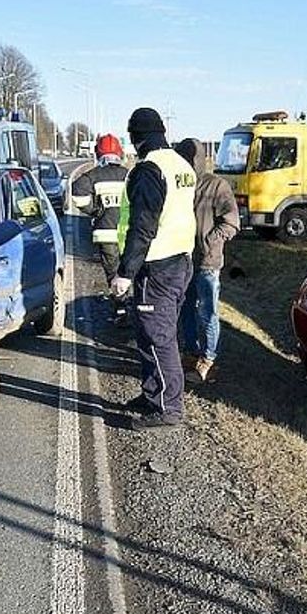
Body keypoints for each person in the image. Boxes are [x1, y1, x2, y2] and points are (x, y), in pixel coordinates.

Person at [110, 108, 197, 429]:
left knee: (158, 337)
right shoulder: (180, 164)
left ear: (137, 138)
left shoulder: (149, 169)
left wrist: (125, 273)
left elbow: (143, 226)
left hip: (156, 266)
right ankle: (153, 394)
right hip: (180, 260)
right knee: (152, 332)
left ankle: (168, 408)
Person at [173, 138, 239, 382]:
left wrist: (209, 242)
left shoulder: (217, 186)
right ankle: (190, 353)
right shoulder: (180, 186)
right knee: (186, 310)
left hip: (207, 263)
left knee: (208, 313)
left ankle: (208, 359)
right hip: (182, 261)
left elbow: (232, 222)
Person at [71, 134, 129, 318]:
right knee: (130, 271)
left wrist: (95, 211)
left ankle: (121, 309)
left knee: (113, 273)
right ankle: (134, 307)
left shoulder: (93, 175)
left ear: (99, 154)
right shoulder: (129, 175)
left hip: (105, 235)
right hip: (128, 234)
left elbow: (77, 193)